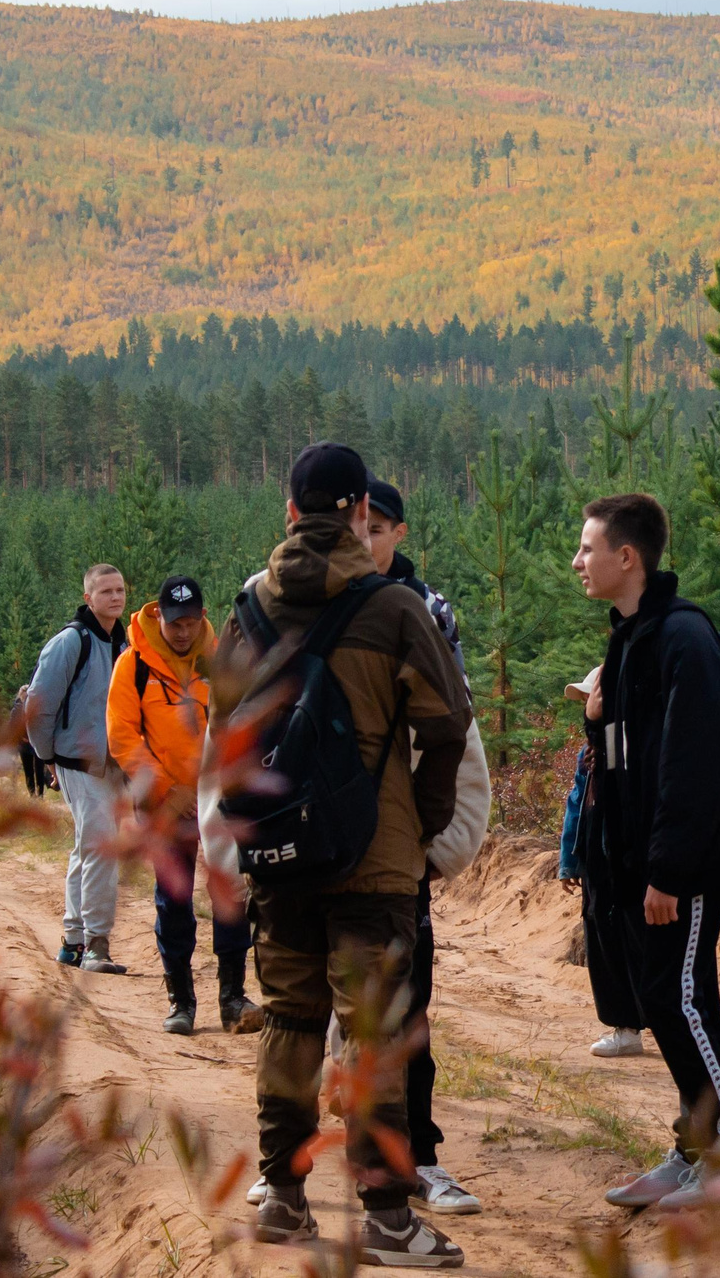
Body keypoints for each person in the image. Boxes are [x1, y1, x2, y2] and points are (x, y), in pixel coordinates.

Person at [213, 443, 475, 1267]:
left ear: (289, 510)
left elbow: (224, 733)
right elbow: (447, 722)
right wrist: (421, 824)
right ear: (361, 509)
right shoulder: (395, 607)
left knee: (289, 1017)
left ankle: (284, 1197)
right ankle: (389, 1218)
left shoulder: (248, 608)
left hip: (279, 853)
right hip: (374, 859)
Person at [573, 493, 720, 1213]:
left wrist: (668, 870)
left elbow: (697, 764)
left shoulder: (682, 638)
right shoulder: (630, 640)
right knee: (676, 1000)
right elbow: (631, 760)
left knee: (673, 997)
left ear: (628, 557)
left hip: (679, 866)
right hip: (642, 863)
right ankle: (696, 1147)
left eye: (588, 547)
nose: (577, 560)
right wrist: (596, 724)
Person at [360, 478, 491, 1218]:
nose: (364, 537)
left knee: (408, 1008)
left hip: (398, 844)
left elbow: (454, 732)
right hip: (319, 840)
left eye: (377, 527)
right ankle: (287, 1165)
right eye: (356, 524)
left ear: (399, 532)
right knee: (307, 1006)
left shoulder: (427, 611)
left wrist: (438, 845)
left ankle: (422, 1159)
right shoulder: (301, 600)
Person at [107, 574, 250, 1035]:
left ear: (203, 618)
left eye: (190, 622)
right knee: (174, 900)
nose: (182, 631)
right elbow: (122, 737)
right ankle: (181, 1001)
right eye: (174, 623)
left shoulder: (222, 663)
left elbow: (244, 725)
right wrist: (170, 790)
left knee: (230, 896)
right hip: (164, 804)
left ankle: (232, 998)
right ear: (159, 618)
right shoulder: (133, 666)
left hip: (218, 799)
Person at [23, 564, 131, 973]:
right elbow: (38, 706)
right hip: (77, 762)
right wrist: (47, 756)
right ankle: (97, 947)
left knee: (87, 847)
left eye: (120, 590)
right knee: (102, 847)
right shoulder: (70, 642)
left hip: (114, 765)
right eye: (105, 591)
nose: (115, 597)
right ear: (88, 597)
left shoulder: (125, 643)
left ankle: (72, 941)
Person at [561, 667, 647, 1060]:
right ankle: (624, 1025)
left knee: (626, 940)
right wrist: (569, 861)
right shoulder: (589, 752)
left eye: (589, 698)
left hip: (625, 863)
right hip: (597, 861)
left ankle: (633, 1024)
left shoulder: (627, 743)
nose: (585, 707)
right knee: (601, 938)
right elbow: (576, 806)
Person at [13, 685, 52, 798]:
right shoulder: (16, 709)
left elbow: (44, 724)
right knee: (28, 770)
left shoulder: (38, 708)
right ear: (20, 696)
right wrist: (21, 738)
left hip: (36, 743)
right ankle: (32, 794)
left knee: (39, 769)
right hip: (23, 743)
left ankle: (40, 794)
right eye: (24, 697)